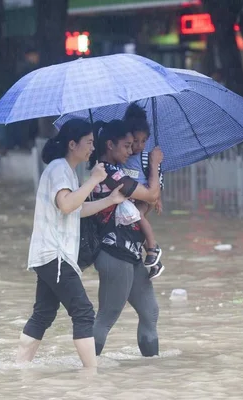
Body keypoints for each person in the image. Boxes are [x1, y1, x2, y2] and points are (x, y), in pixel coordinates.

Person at [16, 118, 126, 368]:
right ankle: (90, 375)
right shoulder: (58, 169)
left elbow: (76, 208)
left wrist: (110, 200)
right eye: (88, 143)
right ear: (72, 144)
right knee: (84, 312)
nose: (91, 148)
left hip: (50, 254)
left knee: (43, 314)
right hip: (55, 255)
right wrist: (94, 180)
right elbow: (66, 204)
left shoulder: (67, 171)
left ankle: (20, 367)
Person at [89, 119, 164, 357]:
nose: (131, 151)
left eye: (133, 145)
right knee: (106, 318)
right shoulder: (107, 174)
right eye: (126, 146)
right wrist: (154, 164)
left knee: (150, 311)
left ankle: (151, 374)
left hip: (130, 252)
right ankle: (85, 375)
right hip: (114, 253)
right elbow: (151, 194)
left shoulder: (119, 172)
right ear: (110, 145)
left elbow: (140, 209)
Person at [121, 103, 165, 279]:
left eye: (143, 141)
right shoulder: (122, 156)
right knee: (136, 221)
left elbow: (158, 181)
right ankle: (156, 263)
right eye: (135, 141)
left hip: (144, 198)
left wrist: (157, 200)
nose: (138, 146)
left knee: (137, 216)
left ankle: (153, 249)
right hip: (129, 198)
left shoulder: (146, 158)